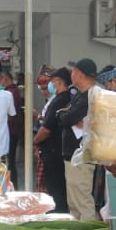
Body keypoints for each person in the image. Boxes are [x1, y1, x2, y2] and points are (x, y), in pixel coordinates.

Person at [57, 58, 101, 220]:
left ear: (80, 74)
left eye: (74, 71)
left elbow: (67, 119)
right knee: (74, 202)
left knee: (82, 201)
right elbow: (65, 115)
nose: (72, 74)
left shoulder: (91, 96)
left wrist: (64, 114)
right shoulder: (81, 96)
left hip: (81, 156)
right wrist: (63, 114)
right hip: (73, 154)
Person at [34, 67, 72, 212]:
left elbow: (46, 129)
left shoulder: (59, 100)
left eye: (52, 81)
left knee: (56, 190)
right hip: (60, 150)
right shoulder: (67, 98)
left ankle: (59, 215)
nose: (50, 85)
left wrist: (34, 141)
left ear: (58, 81)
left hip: (54, 152)